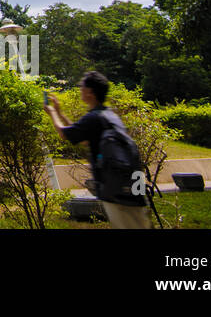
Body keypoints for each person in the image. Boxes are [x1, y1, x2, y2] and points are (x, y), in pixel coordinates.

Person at [44, 70, 152, 229]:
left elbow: (64, 133)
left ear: (90, 93)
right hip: (129, 187)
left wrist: (52, 113)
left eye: (82, 86)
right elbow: (84, 139)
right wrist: (60, 113)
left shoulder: (93, 118)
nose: (80, 88)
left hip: (116, 191)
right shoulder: (109, 115)